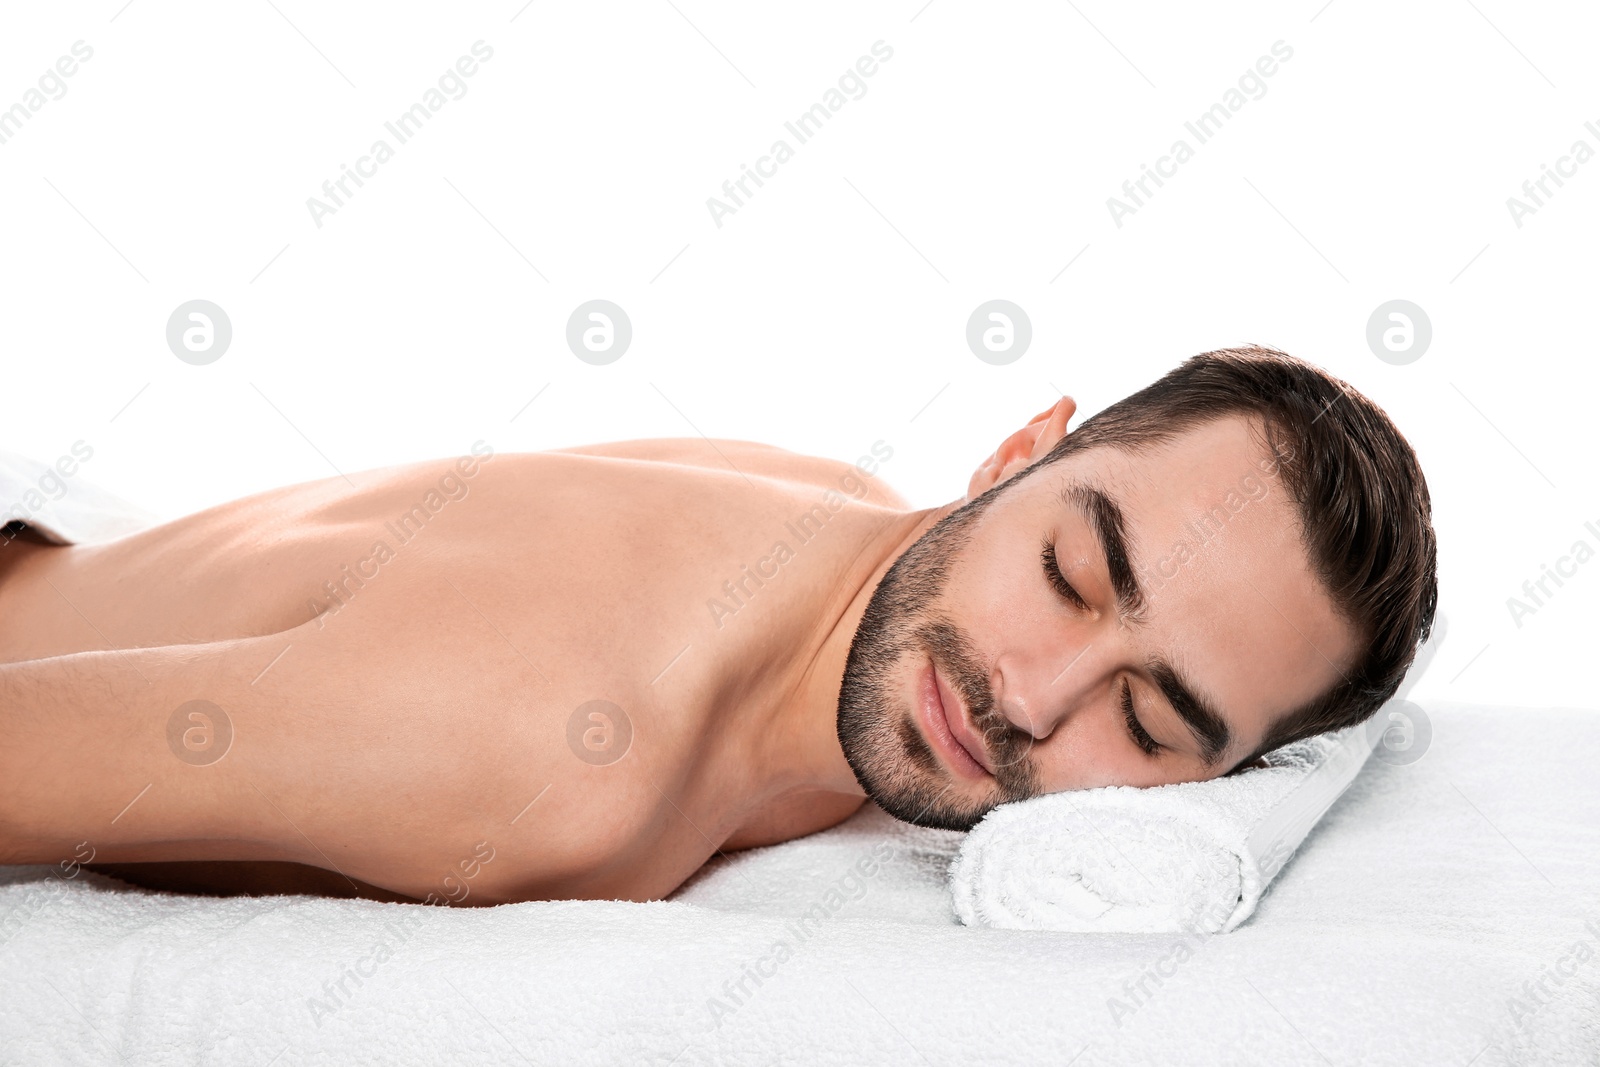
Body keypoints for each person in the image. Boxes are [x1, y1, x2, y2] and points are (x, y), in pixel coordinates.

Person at [0, 344, 1437, 906]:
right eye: (1073, 571)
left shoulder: (834, 516)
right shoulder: (557, 753)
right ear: (1015, 454)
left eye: (1150, 718)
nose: (1033, 696)